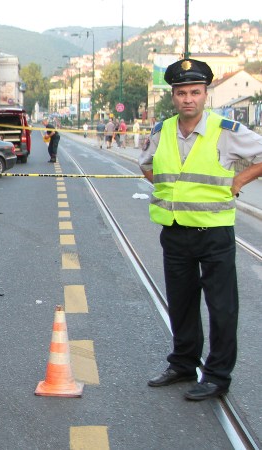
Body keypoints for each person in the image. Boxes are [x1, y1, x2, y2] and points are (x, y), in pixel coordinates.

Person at [139, 58, 262, 401]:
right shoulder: (161, 131)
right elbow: (147, 167)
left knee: (222, 307)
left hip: (213, 232)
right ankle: (183, 363)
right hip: (175, 230)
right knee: (180, 303)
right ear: (173, 97)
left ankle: (217, 376)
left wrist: (239, 179)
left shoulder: (226, 131)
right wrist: (172, 192)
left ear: (205, 94)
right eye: (181, 93)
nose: (188, 99)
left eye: (195, 92)